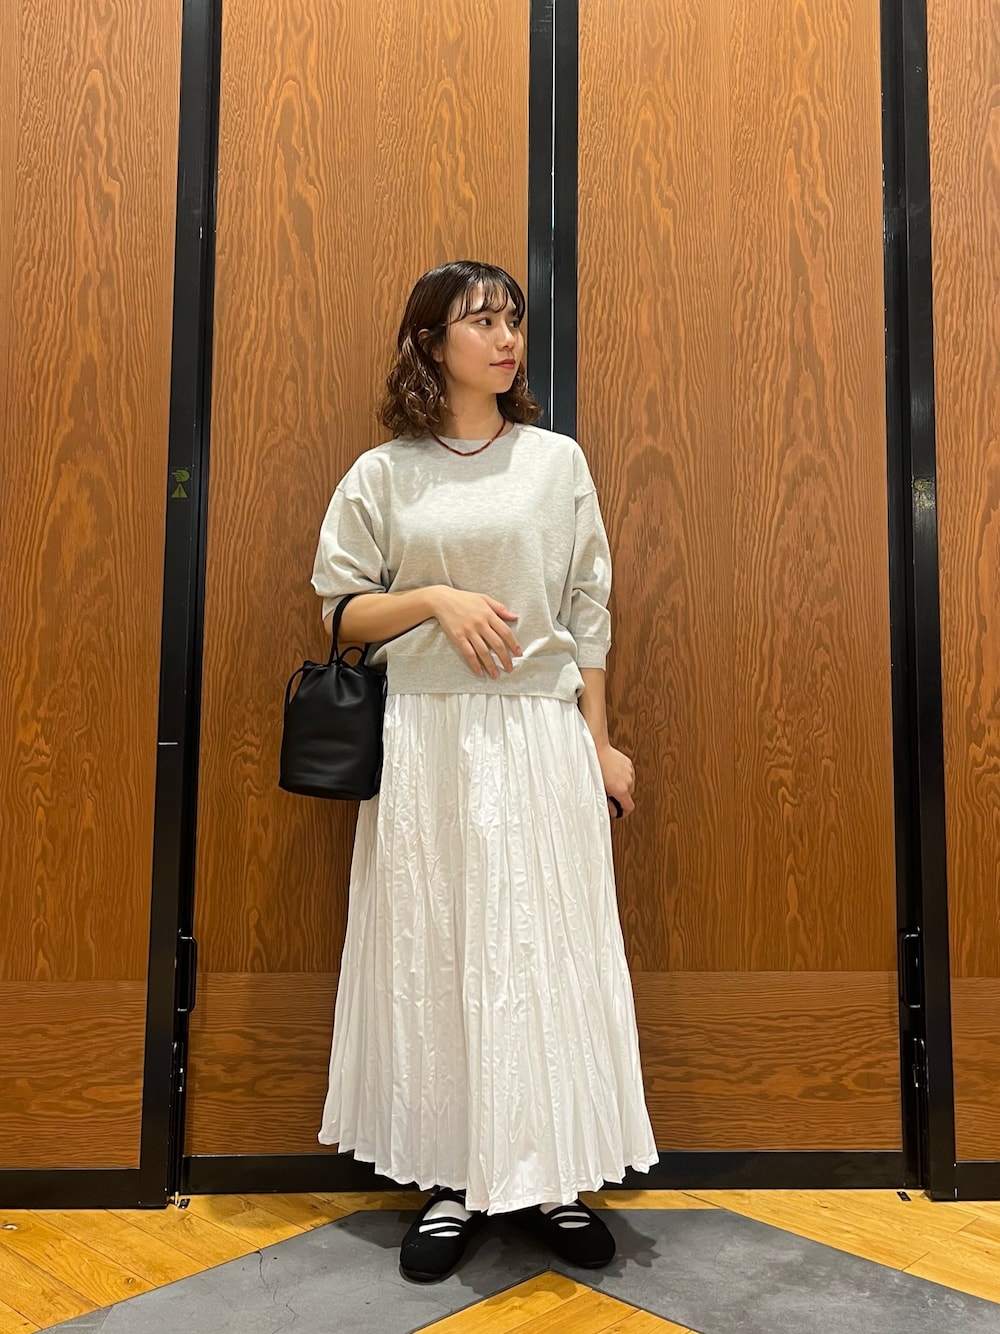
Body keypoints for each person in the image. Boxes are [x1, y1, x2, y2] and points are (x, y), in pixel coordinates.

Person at [311, 259, 657, 1283]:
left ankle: (551, 1176)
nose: (506, 339)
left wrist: (599, 740)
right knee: (437, 946)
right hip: (425, 738)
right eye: (481, 322)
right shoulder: (385, 474)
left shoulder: (556, 462)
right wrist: (434, 598)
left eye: (513, 320)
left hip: (538, 731)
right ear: (430, 342)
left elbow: (588, 610)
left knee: (545, 948)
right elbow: (340, 610)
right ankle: (451, 1179)